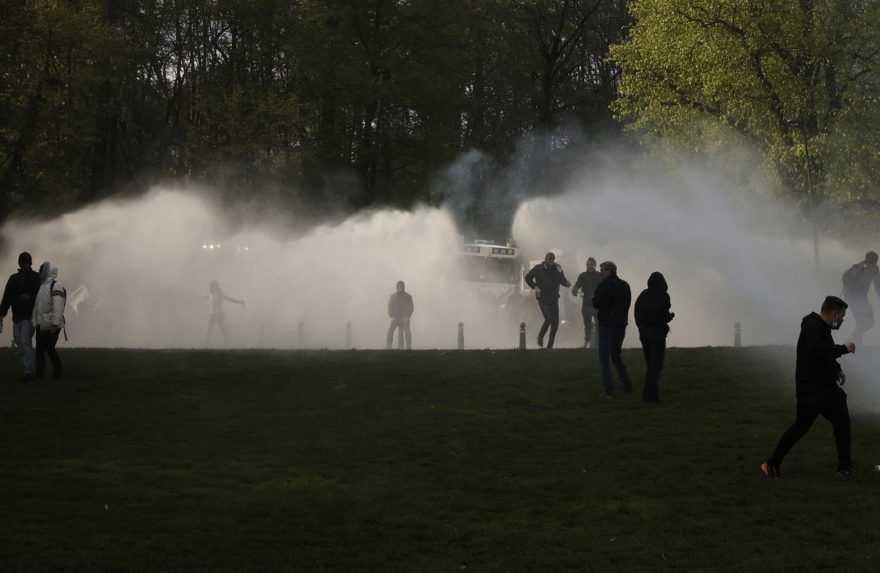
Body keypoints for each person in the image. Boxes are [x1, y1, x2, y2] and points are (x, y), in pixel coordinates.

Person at [761, 296, 856, 479]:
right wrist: (844, 349)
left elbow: (825, 354)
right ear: (834, 313)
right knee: (802, 426)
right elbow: (818, 351)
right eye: (842, 316)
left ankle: (845, 468)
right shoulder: (812, 325)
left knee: (840, 422)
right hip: (812, 390)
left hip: (825, 389)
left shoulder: (823, 328)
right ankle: (771, 463)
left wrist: (837, 370)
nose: (842, 320)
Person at [592, 261, 632, 396]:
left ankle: (608, 389)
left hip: (606, 325)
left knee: (604, 358)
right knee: (615, 355)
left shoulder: (603, 285)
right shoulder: (624, 285)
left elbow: (596, 303)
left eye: (602, 270)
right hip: (620, 325)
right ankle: (627, 384)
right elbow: (627, 304)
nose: (601, 272)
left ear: (609, 271)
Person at [0, 252, 42, 381]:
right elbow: (6, 297)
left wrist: (30, 297)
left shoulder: (36, 277)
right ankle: (28, 365)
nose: (25, 265)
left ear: (29, 263)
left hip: (29, 316)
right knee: (19, 341)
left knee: (25, 341)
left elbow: (40, 296)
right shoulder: (13, 279)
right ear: (20, 264)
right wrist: (2, 313)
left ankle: (28, 371)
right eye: (23, 263)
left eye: (26, 263)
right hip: (17, 316)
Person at [634, 272, 675, 403]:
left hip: (645, 335)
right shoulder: (664, 296)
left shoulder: (643, 295)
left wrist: (641, 328)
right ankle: (649, 395)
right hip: (658, 335)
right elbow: (664, 316)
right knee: (656, 366)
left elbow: (637, 313)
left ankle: (651, 396)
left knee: (650, 365)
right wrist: (670, 317)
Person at [524, 252, 571, 349]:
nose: (551, 261)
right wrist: (535, 287)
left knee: (556, 322)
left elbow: (562, 280)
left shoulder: (557, 268)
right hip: (542, 298)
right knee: (549, 318)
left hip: (553, 298)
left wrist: (567, 283)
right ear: (545, 259)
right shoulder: (538, 268)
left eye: (552, 259)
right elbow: (527, 278)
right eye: (549, 259)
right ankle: (540, 336)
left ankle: (550, 346)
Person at [32, 261, 67, 380]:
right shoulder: (42, 286)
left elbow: (58, 306)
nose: (39, 271)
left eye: (41, 269)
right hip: (42, 324)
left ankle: (58, 371)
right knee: (40, 350)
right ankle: (40, 374)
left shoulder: (56, 285)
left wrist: (55, 323)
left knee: (48, 348)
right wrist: (35, 321)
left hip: (51, 325)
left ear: (47, 271)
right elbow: (37, 306)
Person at [841, 250, 879, 345]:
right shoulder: (858, 268)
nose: (873, 264)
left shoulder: (874, 269)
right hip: (853, 298)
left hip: (861, 298)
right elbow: (845, 279)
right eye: (872, 261)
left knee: (865, 322)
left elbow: (877, 285)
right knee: (866, 322)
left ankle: (856, 342)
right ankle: (852, 341)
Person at [572, 257, 603, 348]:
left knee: (599, 325)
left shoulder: (600, 275)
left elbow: (605, 286)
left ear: (594, 265)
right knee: (587, 325)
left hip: (597, 305)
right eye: (587, 264)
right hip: (586, 304)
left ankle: (598, 343)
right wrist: (574, 290)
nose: (589, 266)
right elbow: (577, 285)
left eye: (591, 265)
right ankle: (587, 342)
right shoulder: (582, 276)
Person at [206, 280, 245, 347]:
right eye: (211, 286)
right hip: (213, 314)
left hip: (219, 314)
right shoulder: (211, 295)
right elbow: (207, 299)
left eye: (213, 286)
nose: (211, 287)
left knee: (218, 329)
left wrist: (239, 302)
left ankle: (226, 343)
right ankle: (208, 344)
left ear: (216, 287)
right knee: (214, 330)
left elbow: (230, 299)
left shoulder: (220, 294)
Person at [387, 281, 414, 350]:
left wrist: (407, 316)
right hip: (396, 317)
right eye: (399, 286)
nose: (400, 288)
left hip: (404, 317)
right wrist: (391, 315)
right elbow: (390, 306)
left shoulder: (408, 296)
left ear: (404, 287)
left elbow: (411, 307)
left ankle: (408, 347)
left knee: (405, 331)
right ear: (397, 287)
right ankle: (389, 347)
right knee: (391, 330)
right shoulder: (393, 296)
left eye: (402, 286)